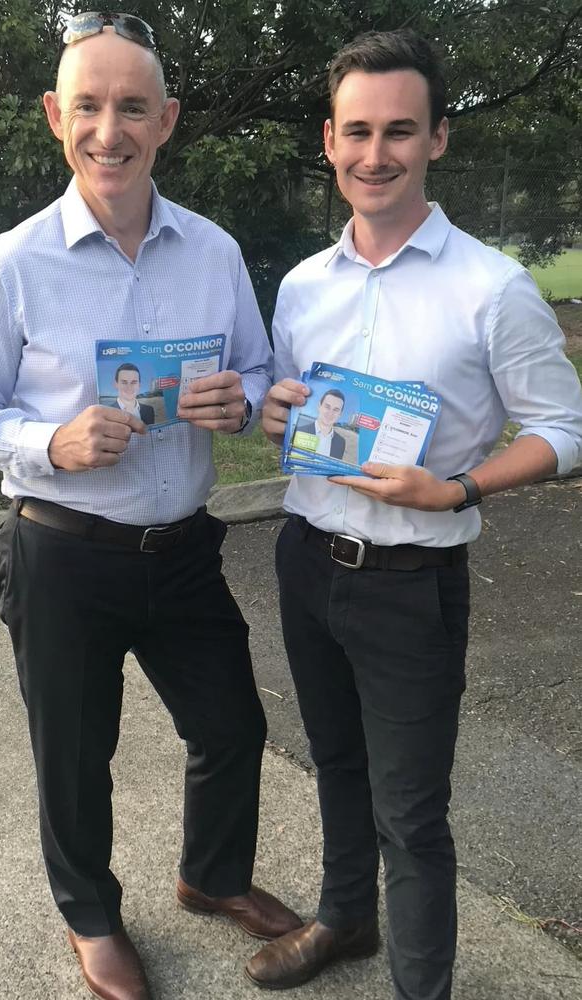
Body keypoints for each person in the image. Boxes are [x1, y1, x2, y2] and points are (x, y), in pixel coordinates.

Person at [0, 13, 302, 1000]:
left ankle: (210, 874)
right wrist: (46, 441)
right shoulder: (15, 262)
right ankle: (90, 915)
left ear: (165, 119)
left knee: (227, 723)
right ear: (57, 116)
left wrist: (239, 395)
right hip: (62, 555)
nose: (110, 128)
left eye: (131, 106)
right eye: (88, 105)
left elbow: (257, 370)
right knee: (74, 755)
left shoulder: (212, 252)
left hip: (181, 550)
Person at [245, 28, 582, 1000]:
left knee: (410, 813)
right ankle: (345, 919)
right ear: (328, 138)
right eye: (356, 130)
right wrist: (277, 411)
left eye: (399, 129)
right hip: (306, 563)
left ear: (436, 137)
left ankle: (419, 987)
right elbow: (293, 409)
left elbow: (564, 427)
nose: (374, 152)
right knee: (334, 764)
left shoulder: (490, 287)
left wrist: (459, 487)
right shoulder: (304, 284)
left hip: (410, 584)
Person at [296, 389, 346, 459]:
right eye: (327, 407)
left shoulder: (341, 443)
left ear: (340, 414)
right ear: (319, 406)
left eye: (336, 410)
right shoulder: (299, 432)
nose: (330, 413)